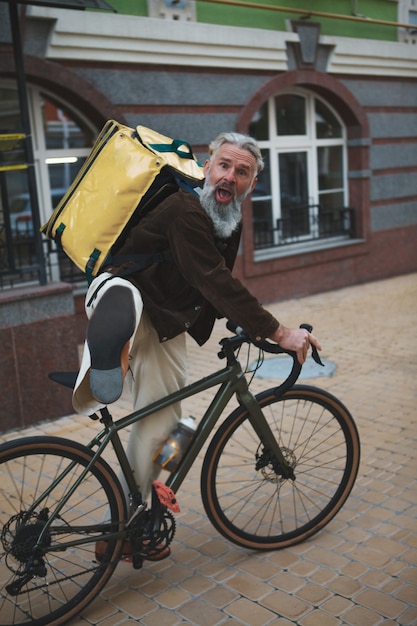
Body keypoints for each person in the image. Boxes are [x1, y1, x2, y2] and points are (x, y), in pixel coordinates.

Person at [73, 131, 321, 560]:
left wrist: (241, 322)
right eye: (224, 165)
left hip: (164, 319)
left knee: (179, 425)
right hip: (141, 306)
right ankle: (123, 529)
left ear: (251, 183)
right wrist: (278, 331)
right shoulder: (184, 208)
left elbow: (208, 282)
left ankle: (150, 504)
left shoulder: (227, 218)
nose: (230, 177)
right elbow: (213, 278)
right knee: (158, 420)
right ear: (206, 168)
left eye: (241, 172)